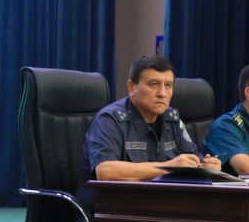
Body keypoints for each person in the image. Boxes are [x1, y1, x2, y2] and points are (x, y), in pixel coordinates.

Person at [82, 55, 221, 182]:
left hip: (160, 197)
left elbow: (192, 158)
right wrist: (168, 167)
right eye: (153, 84)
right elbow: (105, 171)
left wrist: (206, 166)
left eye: (168, 85)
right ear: (132, 87)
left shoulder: (172, 119)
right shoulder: (109, 119)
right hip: (113, 199)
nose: (162, 93)